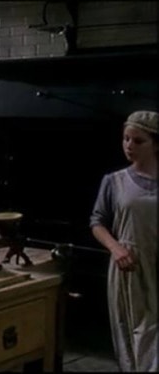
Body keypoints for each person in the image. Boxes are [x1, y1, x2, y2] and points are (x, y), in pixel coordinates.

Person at [89, 110, 157, 372]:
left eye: (138, 141)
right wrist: (116, 248)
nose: (129, 146)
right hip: (131, 268)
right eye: (126, 139)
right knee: (135, 340)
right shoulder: (114, 181)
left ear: (156, 144)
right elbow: (97, 222)